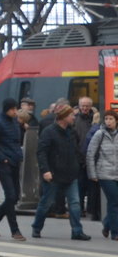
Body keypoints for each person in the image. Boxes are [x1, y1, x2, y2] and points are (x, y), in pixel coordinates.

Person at [31, 104, 91, 240]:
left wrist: (79, 163)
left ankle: (77, 231)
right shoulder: (49, 132)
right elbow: (41, 152)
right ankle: (36, 227)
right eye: (71, 115)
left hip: (71, 173)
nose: (74, 117)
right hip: (53, 174)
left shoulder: (71, 131)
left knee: (75, 203)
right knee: (46, 203)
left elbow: (76, 150)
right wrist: (45, 170)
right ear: (63, 117)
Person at [0, 98, 26, 240]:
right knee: (10, 196)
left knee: (14, 197)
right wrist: (2, 158)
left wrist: (18, 156)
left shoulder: (14, 122)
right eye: (13, 109)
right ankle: (15, 230)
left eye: (16, 108)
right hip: (4, 163)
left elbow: (15, 141)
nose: (15, 112)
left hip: (15, 161)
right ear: (7, 109)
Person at [86, 108, 118, 241]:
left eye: (111, 119)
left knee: (115, 202)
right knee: (114, 201)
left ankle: (106, 224)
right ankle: (115, 232)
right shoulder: (100, 134)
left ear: (116, 121)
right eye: (106, 119)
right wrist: (92, 174)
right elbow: (90, 154)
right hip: (104, 173)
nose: (108, 121)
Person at [75, 97, 102, 221]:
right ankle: (80, 209)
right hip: (80, 158)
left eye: (87, 106)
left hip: (92, 159)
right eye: (83, 105)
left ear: (91, 106)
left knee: (92, 186)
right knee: (80, 186)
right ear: (79, 106)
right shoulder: (75, 120)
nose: (85, 108)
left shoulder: (95, 119)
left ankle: (91, 210)